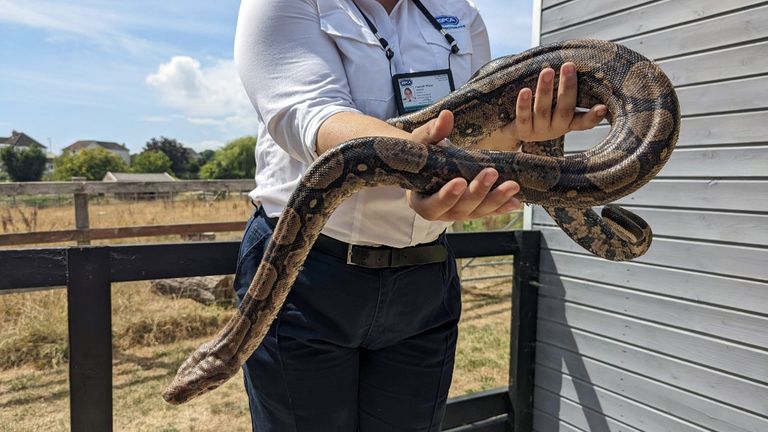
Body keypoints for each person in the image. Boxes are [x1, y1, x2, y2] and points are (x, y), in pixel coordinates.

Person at [233, 0, 605, 430]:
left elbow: (484, 137)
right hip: (304, 274)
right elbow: (309, 115)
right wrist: (428, 169)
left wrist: (522, 133)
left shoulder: (460, 14)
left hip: (423, 276)